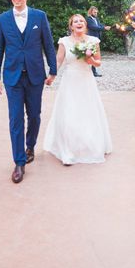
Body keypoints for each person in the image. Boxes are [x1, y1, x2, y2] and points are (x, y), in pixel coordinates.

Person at [0, 0, 57, 183]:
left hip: (35, 75)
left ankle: (30, 146)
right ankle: (19, 162)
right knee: (15, 118)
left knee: (35, 115)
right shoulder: (2, 19)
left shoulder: (39, 16)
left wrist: (53, 70)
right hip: (12, 77)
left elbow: (48, 44)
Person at [43, 14, 112, 164]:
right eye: (75, 21)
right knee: (69, 113)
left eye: (81, 21)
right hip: (69, 81)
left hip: (86, 81)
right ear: (71, 26)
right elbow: (58, 60)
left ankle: (89, 146)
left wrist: (91, 60)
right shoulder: (64, 41)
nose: (79, 23)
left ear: (85, 25)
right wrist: (51, 76)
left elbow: (98, 62)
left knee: (87, 113)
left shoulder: (93, 41)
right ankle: (67, 151)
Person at [86, 6, 110, 77]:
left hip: (96, 39)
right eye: (94, 12)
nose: (96, 13)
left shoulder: (96, 19)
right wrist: (104, 28)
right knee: (90, 55)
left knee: (94, 55)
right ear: (90, 12)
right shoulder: (88, 19)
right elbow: (94, 27)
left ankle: (93, 72)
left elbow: (99, 25)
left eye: (96, 12)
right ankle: (92, 72)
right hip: (91, 39)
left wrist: (105, 27)